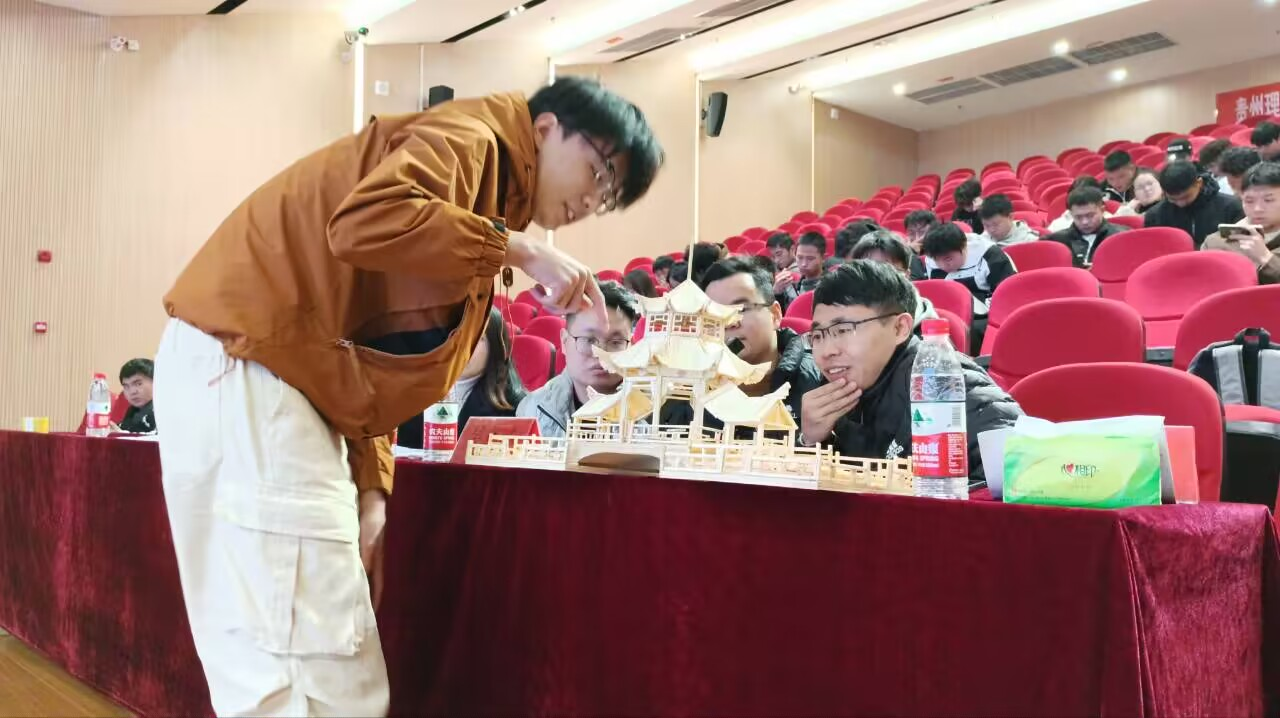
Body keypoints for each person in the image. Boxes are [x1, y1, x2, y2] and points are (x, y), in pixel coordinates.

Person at [155, 76, 662, 717]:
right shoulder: (476, 140)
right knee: (319, 667)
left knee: (268, 656)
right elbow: (363, 221)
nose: (592, 200)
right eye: (599, 170)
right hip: (255, 361)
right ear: (545, 129)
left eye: (610, 196)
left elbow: (370, 355)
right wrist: (520, 249)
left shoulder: (476, 213)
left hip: (253, 367)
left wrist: (372, 490)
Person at [798, 260, 1021, 480]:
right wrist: (811, 442)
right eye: (817, 336)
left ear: (899, 328)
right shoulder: (835, 391)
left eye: (843, 330)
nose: (827, 351)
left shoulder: (946, 385)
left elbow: (1021, 478)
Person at [663, 257, 822, 433]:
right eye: (715, 314)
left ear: (775, 314)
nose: (729, 323)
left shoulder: (818, 378)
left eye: (741, 309)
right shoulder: (688, 386)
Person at [517, 281, 640, 437]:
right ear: (564, 341)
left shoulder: (653, 410)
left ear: (631, 346)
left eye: (616, 342)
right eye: (589, 340)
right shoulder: (533, 410)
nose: (600, 353)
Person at [396, 308, 526, 448]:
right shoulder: (418, 392)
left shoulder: (515, 405)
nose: (463, 348)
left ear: (498, 347)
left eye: (476, 339)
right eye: (455, 336)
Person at [1203, 161, 1280, 284]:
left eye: (1268, 200)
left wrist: (1266, 257)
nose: (1257, 209)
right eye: (1249, 201)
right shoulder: (1216, 243)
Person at [919, 222, 1017, 316]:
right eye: (936, 260)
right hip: (950, 312)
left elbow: (1007, 296)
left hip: (988, 313)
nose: (942, 266)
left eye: (948, 259)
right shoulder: (931, 259)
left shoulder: (991, 256)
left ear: (964, 246)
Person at [1144, 159, 1245, 248]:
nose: (1180, 203)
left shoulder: (1231, 208)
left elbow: (1239, 246)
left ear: (1199, 183)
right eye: (1173, 199)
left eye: (1186, 197)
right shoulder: (1155, 216)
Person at [850, 231, 938, 328]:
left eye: (887, 270)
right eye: (868, 270)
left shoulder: (926, 323)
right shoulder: (848, 310)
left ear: (906, 276)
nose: (877, 278)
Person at [1045, 186, 1130, 267]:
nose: (1084, 222)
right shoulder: (1056, 240)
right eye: (1078, 217)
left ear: (1102, 210)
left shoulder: (1122, 236)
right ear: (1071, 214)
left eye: (1090, 215)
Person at [779, 232, 827, 308]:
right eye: (800, 257)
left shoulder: (832, 286)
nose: (804, 264)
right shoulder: (792, 285)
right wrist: (777, 293)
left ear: (823, 258)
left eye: (810, 258)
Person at [115, 358, 156, 434]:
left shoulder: (163, 410)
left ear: (155, 382)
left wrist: (121, 434)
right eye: (126, 386)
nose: (132, 392)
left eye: (138, 384)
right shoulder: (133, 410)